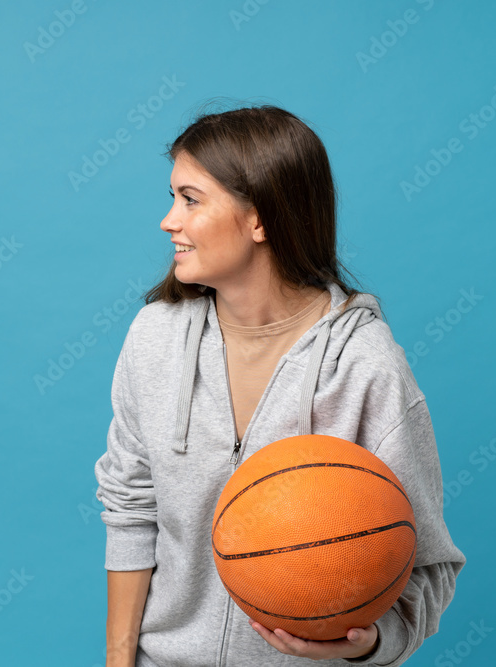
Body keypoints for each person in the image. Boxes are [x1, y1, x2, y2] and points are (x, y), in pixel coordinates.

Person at [94, 104, 465, 666]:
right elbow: (130, 509)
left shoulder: (364, 365)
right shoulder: (155, 337)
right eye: (172, 198)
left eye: (190, 200)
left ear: (260, 219)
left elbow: (429, 566)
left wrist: (370, 644)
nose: (169, 221)